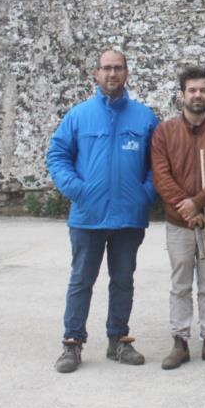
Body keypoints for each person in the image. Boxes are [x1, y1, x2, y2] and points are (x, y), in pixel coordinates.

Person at [47, 49, 159, 373]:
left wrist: (145, 194)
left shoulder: (144, 117)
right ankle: (72, 343)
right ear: (96, 74)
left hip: (129, 216)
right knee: (82, 279)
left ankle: (118, 341)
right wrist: (77, 190)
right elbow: (57, 155)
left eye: (118, 68)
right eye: (106, 69)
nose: (112, 74)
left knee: (123, 280)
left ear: (127, 73)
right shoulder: (79, 116)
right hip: (88, 217)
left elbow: (158, 164)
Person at [151, 65, 205, 370]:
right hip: (179, 222)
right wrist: (185, 208)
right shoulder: (165, 132)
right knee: (180, 283)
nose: (198, 95)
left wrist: (199, 202)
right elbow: (161, 175)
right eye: (192, 90)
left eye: (203, 90)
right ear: (182, 95)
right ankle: (180, 340)